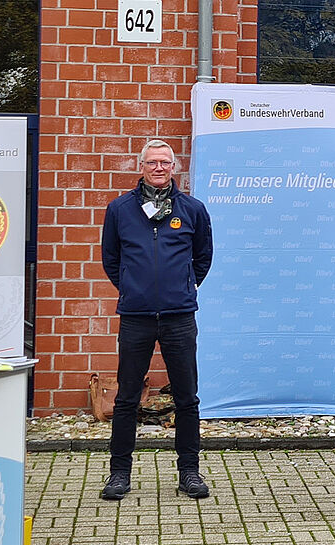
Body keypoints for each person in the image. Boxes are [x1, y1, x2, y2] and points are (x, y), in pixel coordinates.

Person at [100, 139, 213, 501]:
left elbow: (203, 257)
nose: (159, 168)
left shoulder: (193, 209)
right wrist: (134, 289)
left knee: (187, 397)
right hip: (136, 317)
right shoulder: (119, 209)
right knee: (126, 398)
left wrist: (182, 286)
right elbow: (111, 260)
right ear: (142, 167)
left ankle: (189, 473)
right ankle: (119, 474)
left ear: (174, 167)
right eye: (153, 163)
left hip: (180, 316)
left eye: (165, 162)